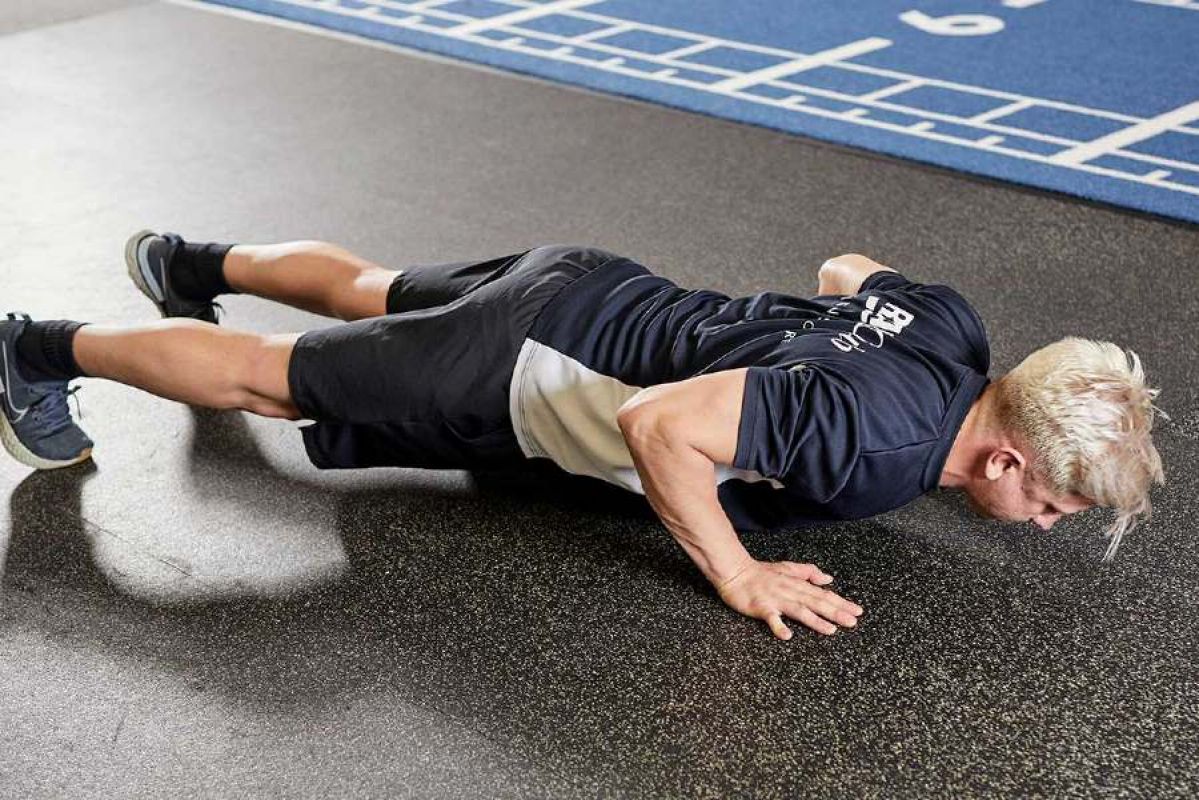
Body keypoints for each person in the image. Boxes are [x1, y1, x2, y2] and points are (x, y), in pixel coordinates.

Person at [0, 234, 1164, 640]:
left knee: (368, 283)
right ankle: (35, 347)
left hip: (591, 281)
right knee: (271, 382)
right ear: (1005, 456)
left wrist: (807, 340)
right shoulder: (872, 442)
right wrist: (738, 567)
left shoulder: (956, 337)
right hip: (537, 358)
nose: (1046, 524)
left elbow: (846, 272)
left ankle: (186, 261)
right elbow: (659, 425)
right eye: (1055, 505)